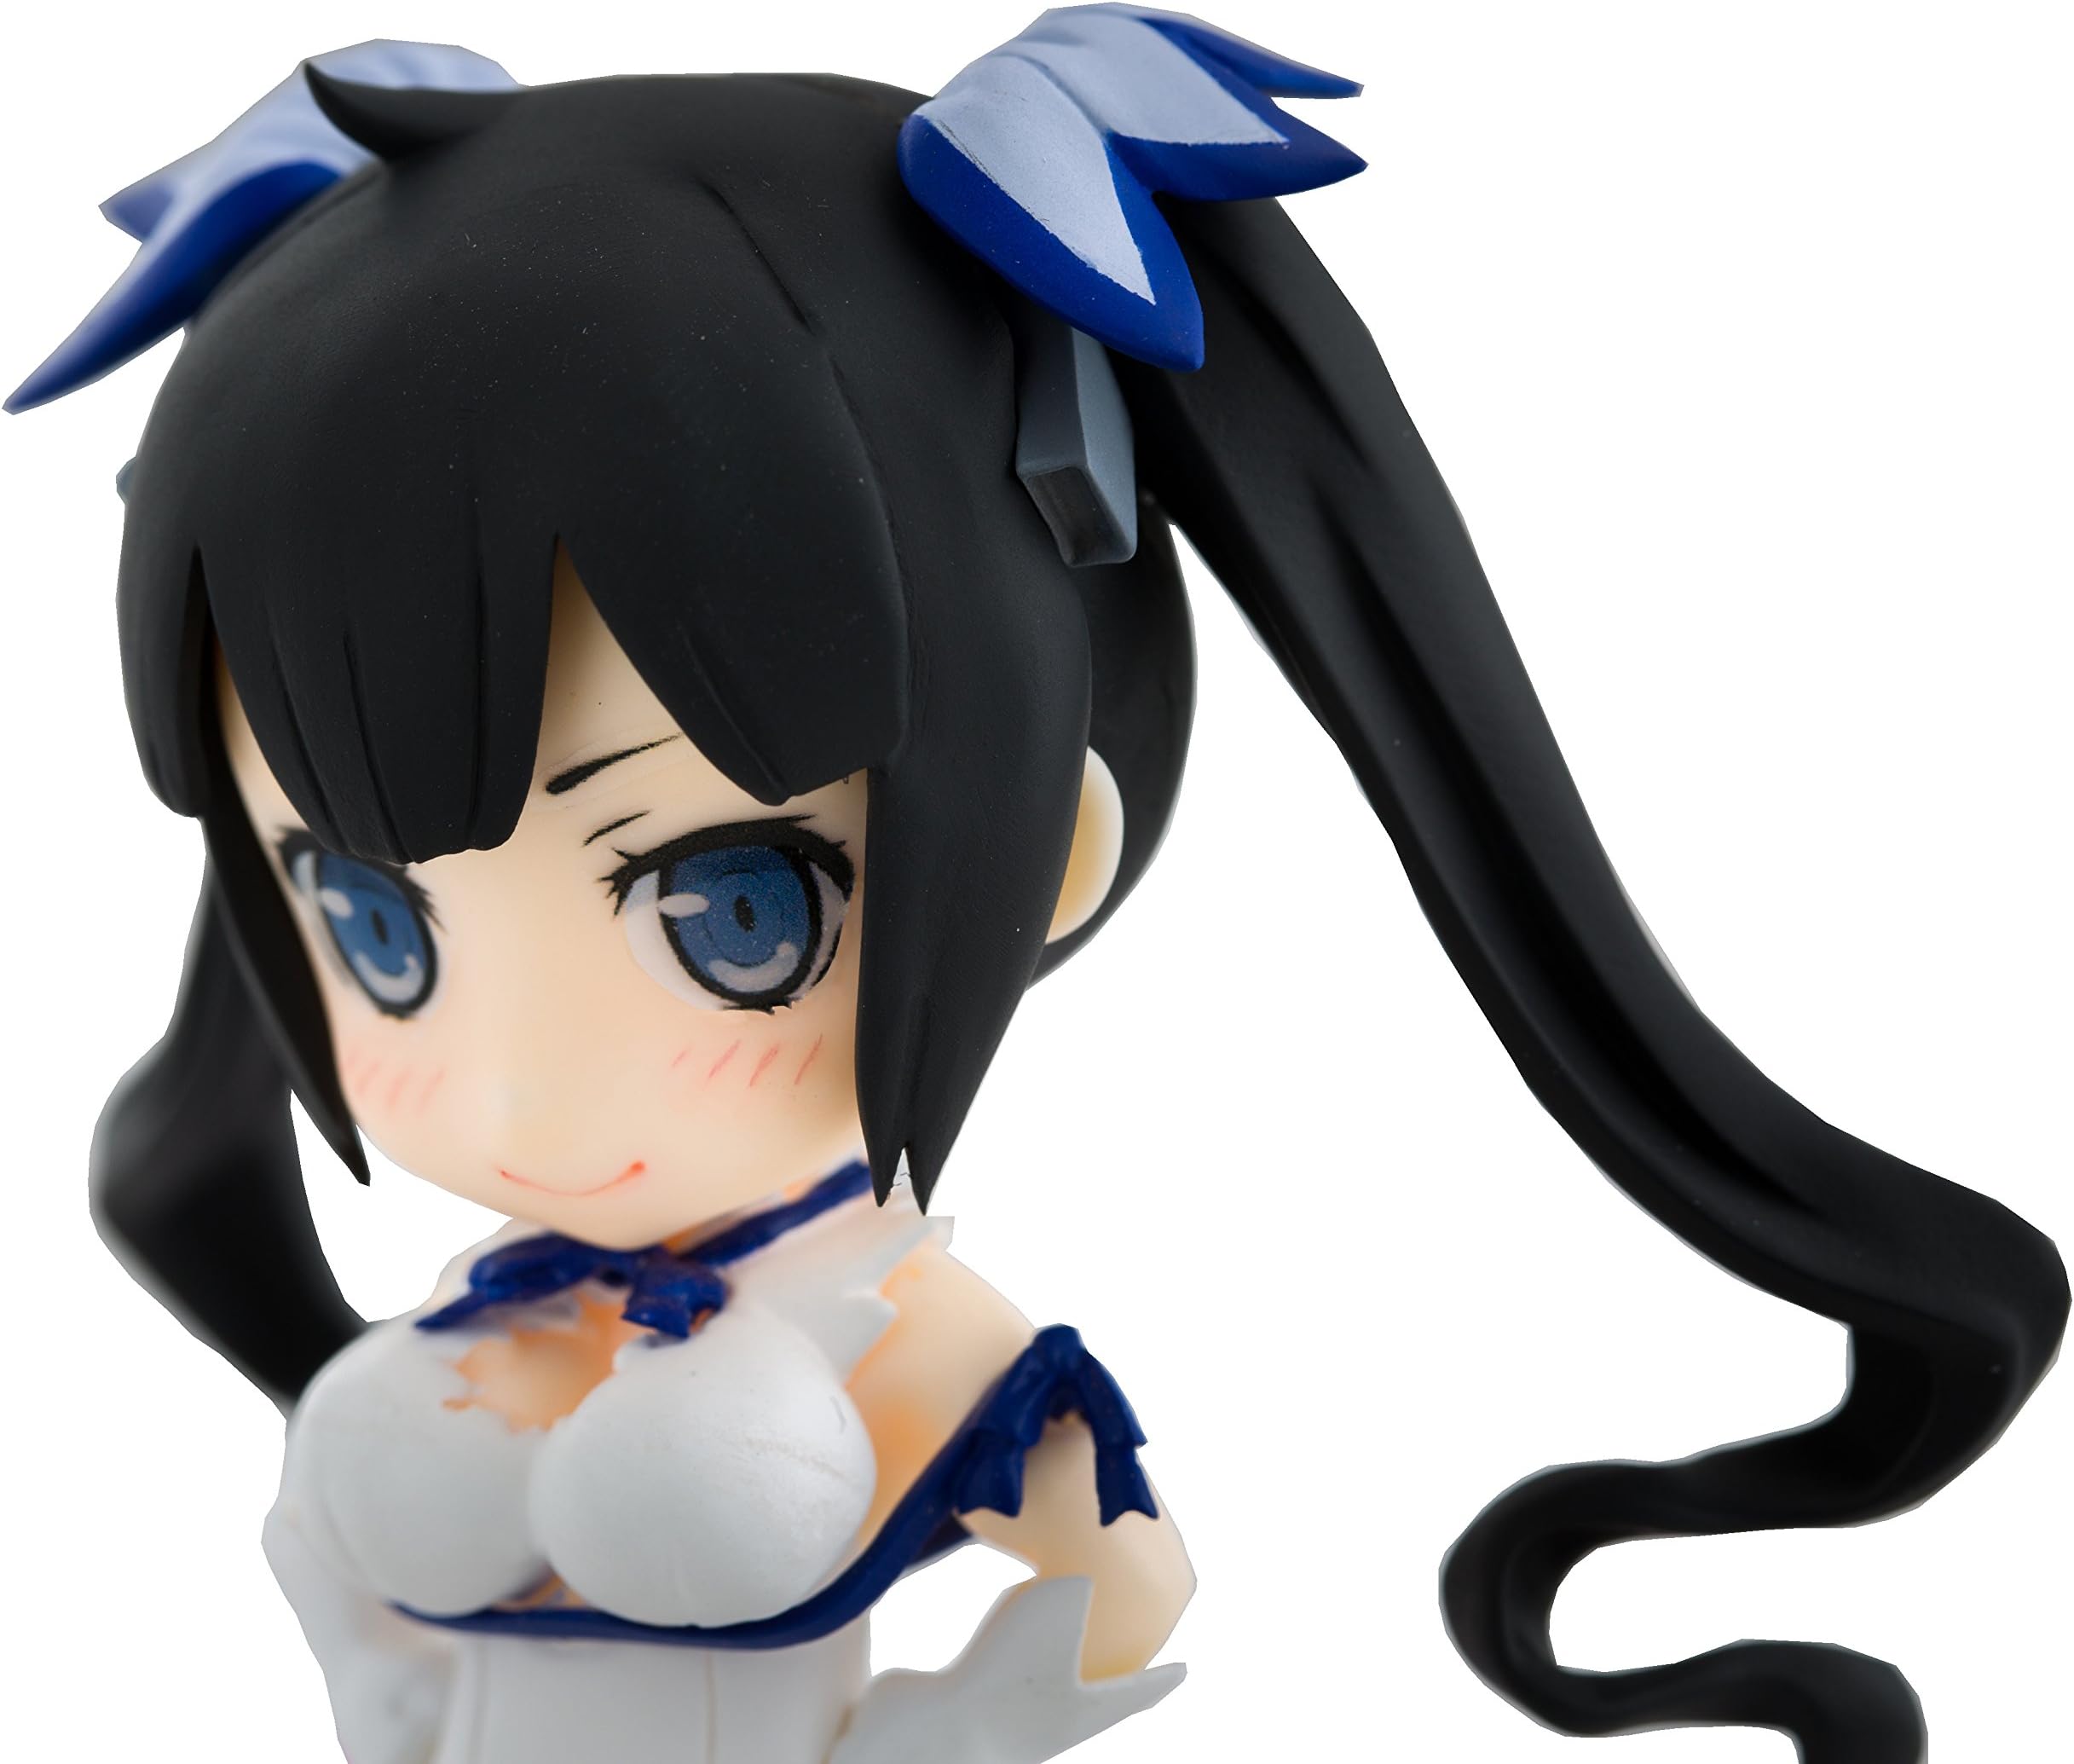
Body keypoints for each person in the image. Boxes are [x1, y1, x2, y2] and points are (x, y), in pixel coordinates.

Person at [10, 14, 2065, 1762]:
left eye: (732, 913)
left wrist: (955, 1733)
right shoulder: (499, 1309)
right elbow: (335, 1583)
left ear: (1048, 855)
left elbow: (1117, 1587)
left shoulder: (896, 1332)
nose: (521, 1095)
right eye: (374, 924)